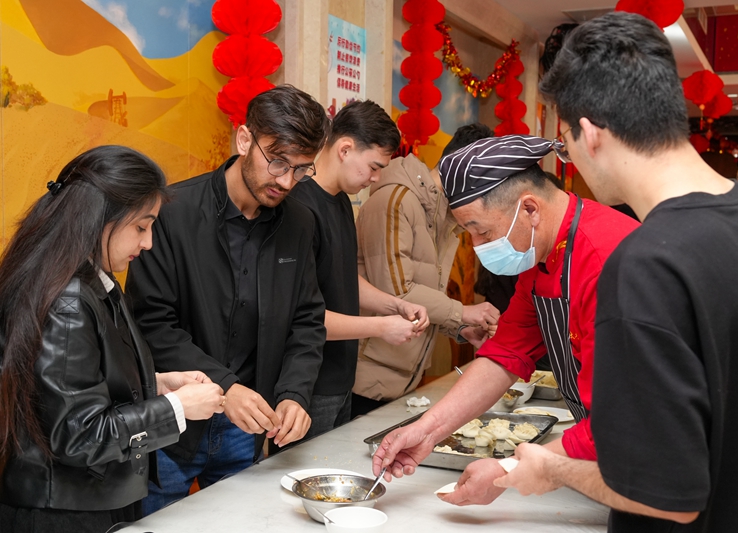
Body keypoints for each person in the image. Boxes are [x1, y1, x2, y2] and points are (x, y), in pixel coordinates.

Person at [494, 11, 738, 532]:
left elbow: (667, 495)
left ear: (589, 134)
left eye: (565, 141)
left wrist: (553, 469)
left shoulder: (645, 264)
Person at [371, 134, 639, 502]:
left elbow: (621, 414)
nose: (478, 248)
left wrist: (507, 471)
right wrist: (427, 431)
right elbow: (507, 351)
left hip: (652, 462)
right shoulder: (543, 250)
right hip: (604, 452)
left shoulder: (608, 260)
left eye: (481, 231)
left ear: (529, 209)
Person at [126, 85, 330, 514]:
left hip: (251, 424)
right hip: (174, 422)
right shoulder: (173, 213)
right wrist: (228, 386)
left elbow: (307, 320)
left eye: (302, 169)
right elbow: (152, 324)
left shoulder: (300, 222)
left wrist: (294, 393)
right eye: (277, 161)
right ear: (244, 140)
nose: (287, 181)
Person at [0, 146, 225, 533]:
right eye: (141, 226)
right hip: (62, 515)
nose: (149, 242)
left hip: (89, 501)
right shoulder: (68, 299)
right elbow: (78, 434)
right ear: (100, 219)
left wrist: (155, 386)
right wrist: (175, 408)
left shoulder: (91, 280)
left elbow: (78, 389)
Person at [289, 100, 428, 437]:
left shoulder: (340, 201)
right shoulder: (298, 207)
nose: (377, 178)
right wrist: (381, 328)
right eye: (374, 167)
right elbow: (304, 316)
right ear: (346, 149)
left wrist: (395, 305)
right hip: (308, 383)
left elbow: (342, 279)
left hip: (341, 376)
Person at [351, 123, 501, 418]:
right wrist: (464, 312)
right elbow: (398, 292)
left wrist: (461, 328)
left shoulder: (443, 217)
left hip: (403, 374)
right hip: (366, 375)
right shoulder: (396, 201)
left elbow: (426, 298)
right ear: (463, 167)